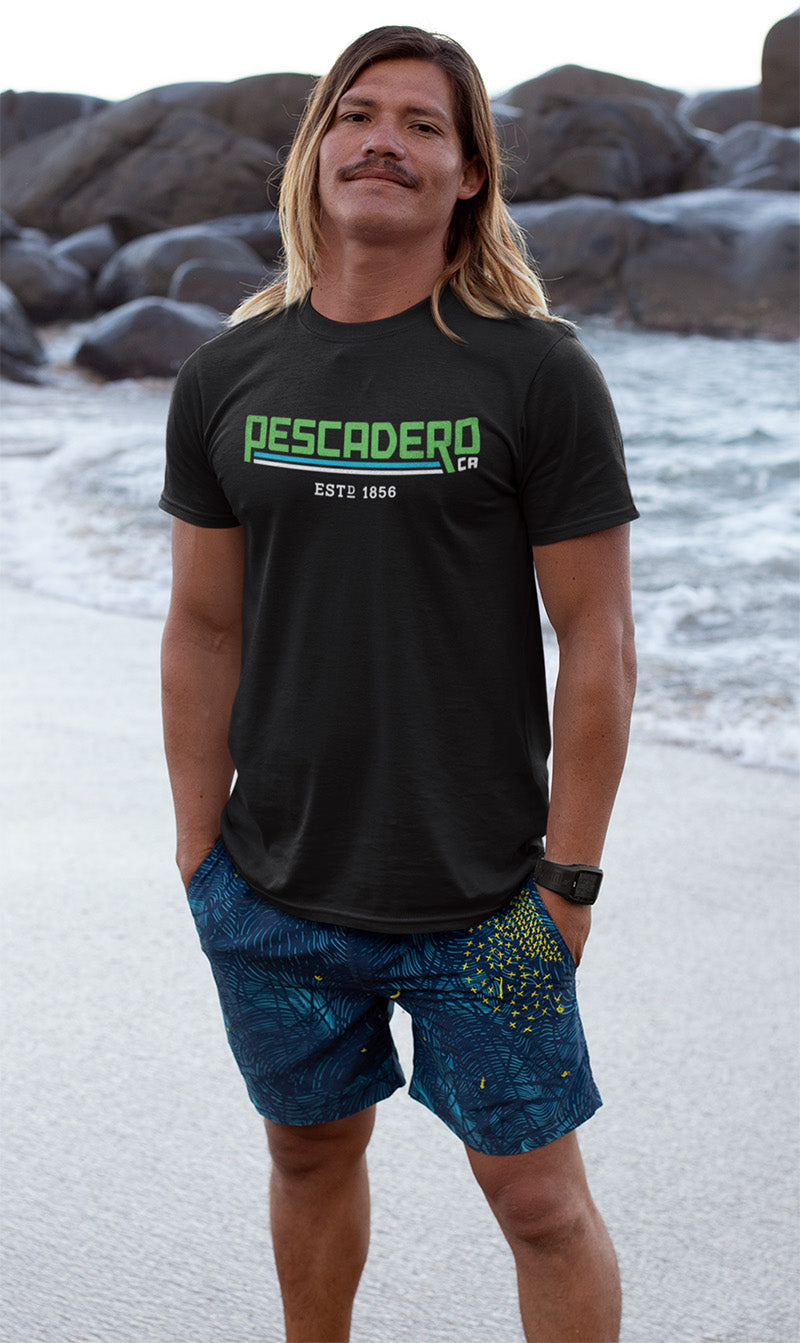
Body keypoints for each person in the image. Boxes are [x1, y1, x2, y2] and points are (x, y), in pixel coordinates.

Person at [160, 24, 638, 1343]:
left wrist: (570, 880)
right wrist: (201, 850)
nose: (385, 139)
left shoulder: (535, 371)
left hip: (485, 899)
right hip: (272, 886)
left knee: (539, 1204)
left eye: (424, 124)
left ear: (470, 173)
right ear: (315, 156)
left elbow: (597, 633)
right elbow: (203, 627)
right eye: (356, 115)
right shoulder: (227, 374)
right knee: (308, 1157)